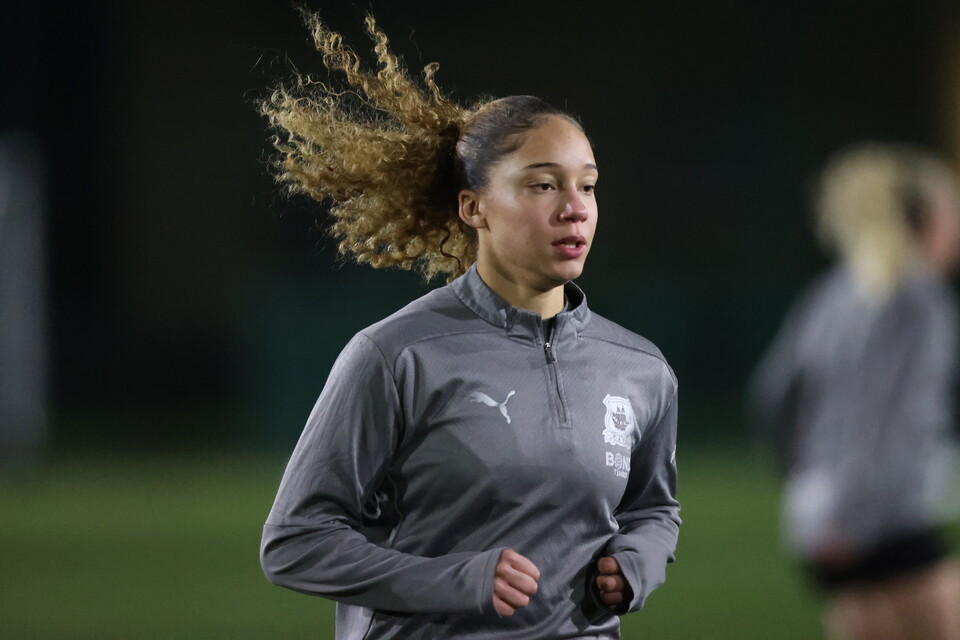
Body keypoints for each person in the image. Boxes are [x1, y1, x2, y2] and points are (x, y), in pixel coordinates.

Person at [258, 12, 680, 640]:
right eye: (542, 185)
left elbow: (653, 507)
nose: (574, 209)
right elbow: (295, 541)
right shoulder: (396, 356)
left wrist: (639, 562)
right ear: (474, 206)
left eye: (587, 187)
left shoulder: (640, 367)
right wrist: (453, 580)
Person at [749, 142, 960, 640]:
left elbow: (771, 399)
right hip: (880, 524)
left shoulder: (832, 292)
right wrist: (854, 517)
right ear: (926, 218)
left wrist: (813, 488)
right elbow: (881, 422)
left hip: (820, 520)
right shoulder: (919, 301)